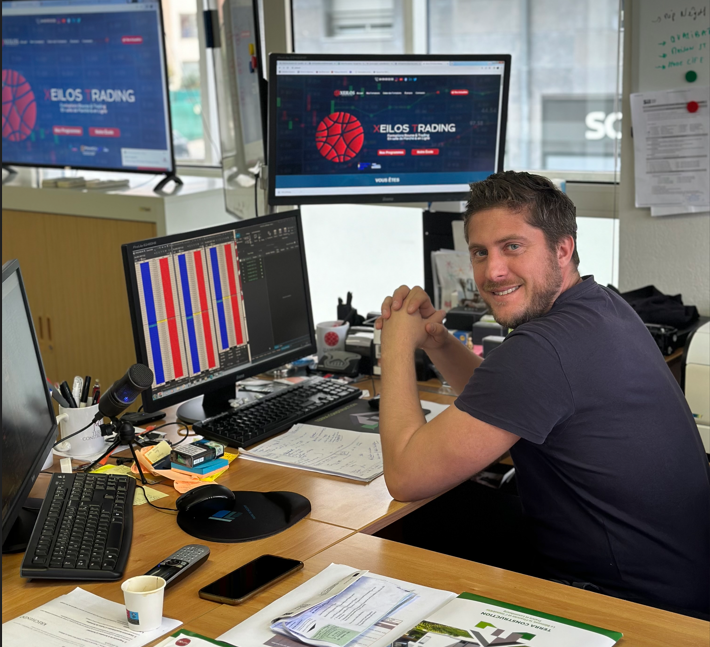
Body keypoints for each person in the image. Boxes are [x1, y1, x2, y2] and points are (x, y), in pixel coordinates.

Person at [376, 171, 710, 614]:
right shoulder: (600, 304)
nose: (493, 271)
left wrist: (395, 347)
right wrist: (437, 342)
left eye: (513, 246)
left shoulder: (543, 349)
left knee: (399, 536)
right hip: (676, 574)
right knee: (447, 512)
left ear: (562, 249)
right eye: (480, 252)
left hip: (631, 603)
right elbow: (504, 400)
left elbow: (404, 478)